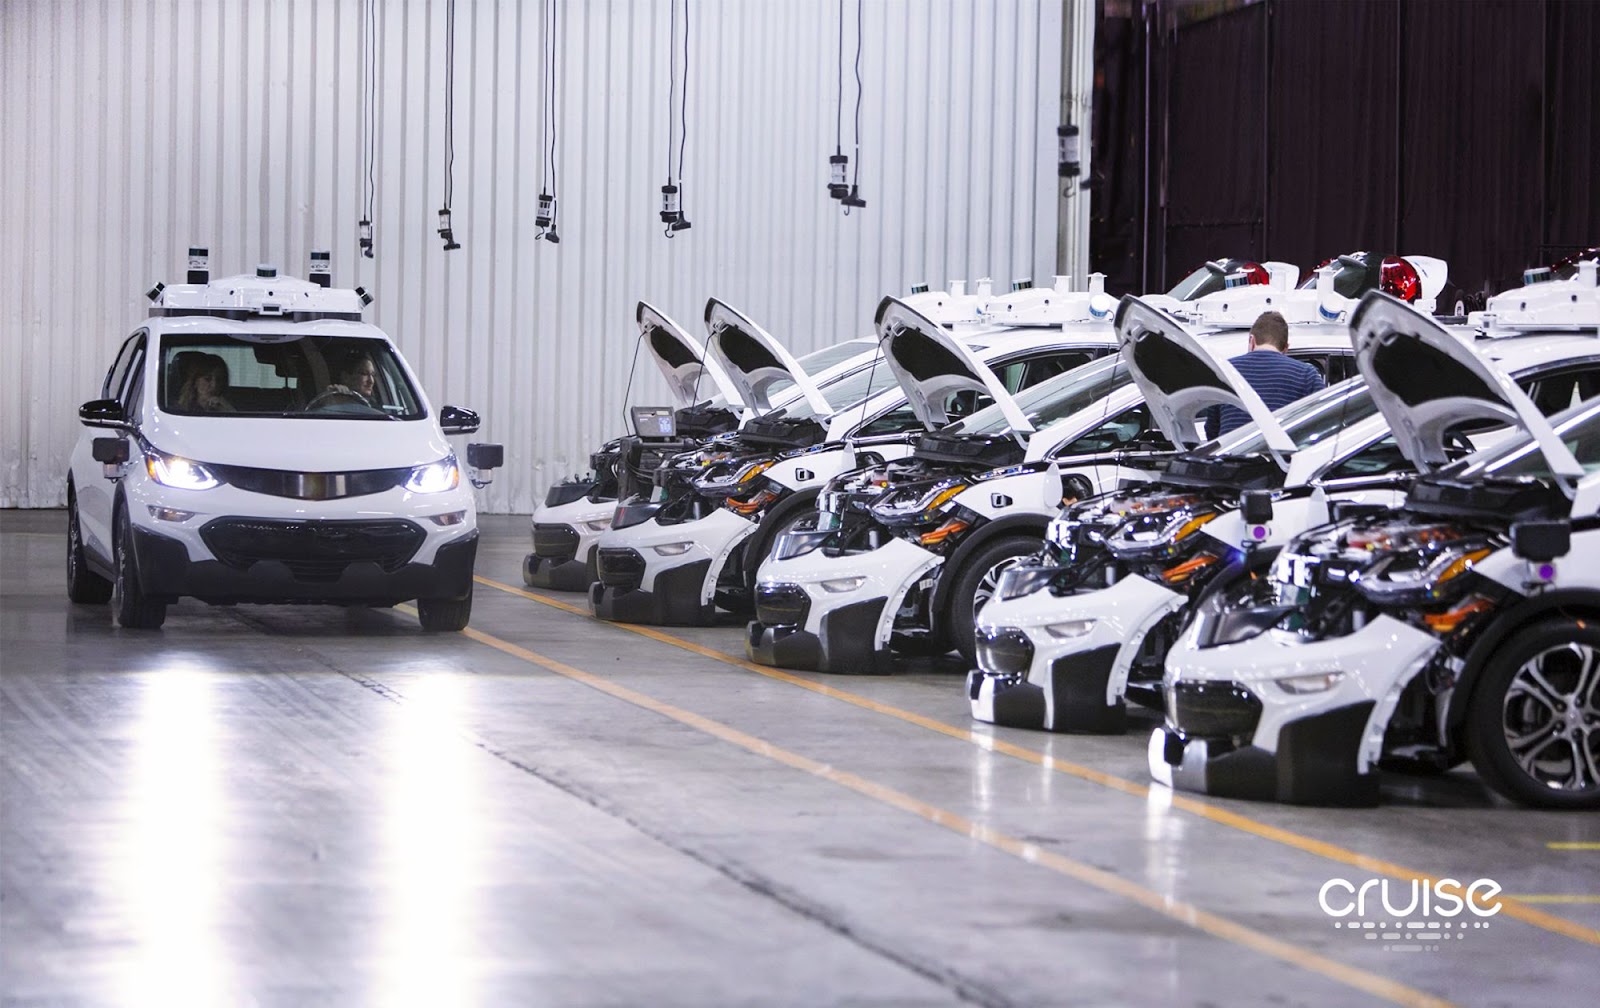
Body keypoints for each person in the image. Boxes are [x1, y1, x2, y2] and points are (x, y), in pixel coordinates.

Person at [1203, 310, 1324, 439]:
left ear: (1252, 340)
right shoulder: (1306, 375)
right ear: (1286, 348)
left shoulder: (1225, 371)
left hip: (1232, 456)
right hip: (1282, 458)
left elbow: (1212, 430)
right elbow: (1322, 425)